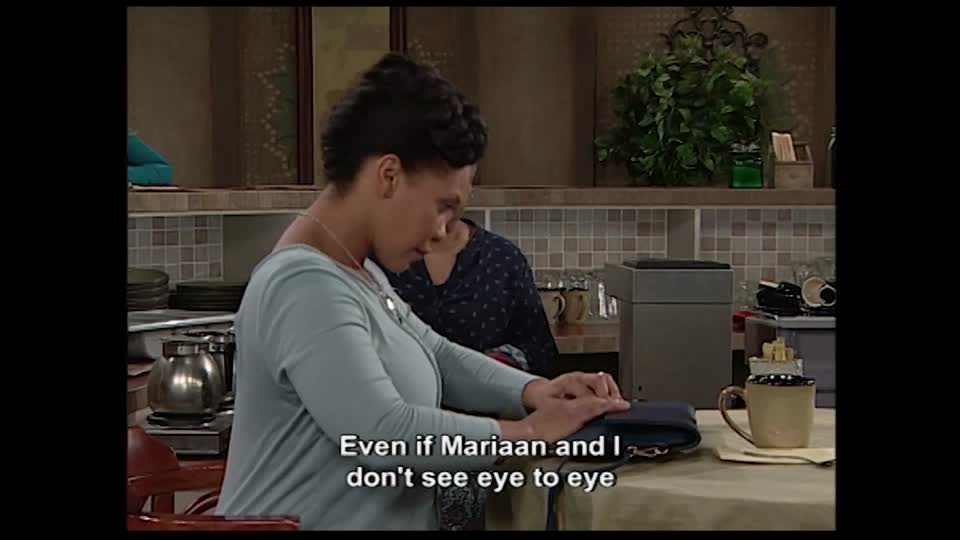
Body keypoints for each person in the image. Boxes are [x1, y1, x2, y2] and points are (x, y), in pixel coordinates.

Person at [214, 52, 628, 531]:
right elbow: (381, 434)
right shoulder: (303, 286)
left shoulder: (359, 273)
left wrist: (535, 390)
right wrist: (530, 431)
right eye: (442, 206)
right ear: (388, 176)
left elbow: (437, 354)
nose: (441, 231)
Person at [378, 216, 560, 530]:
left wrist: (517, 381)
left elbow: (539, 350)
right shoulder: (376, 262)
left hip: (487, 452)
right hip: (398, 469)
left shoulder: (501, 258)